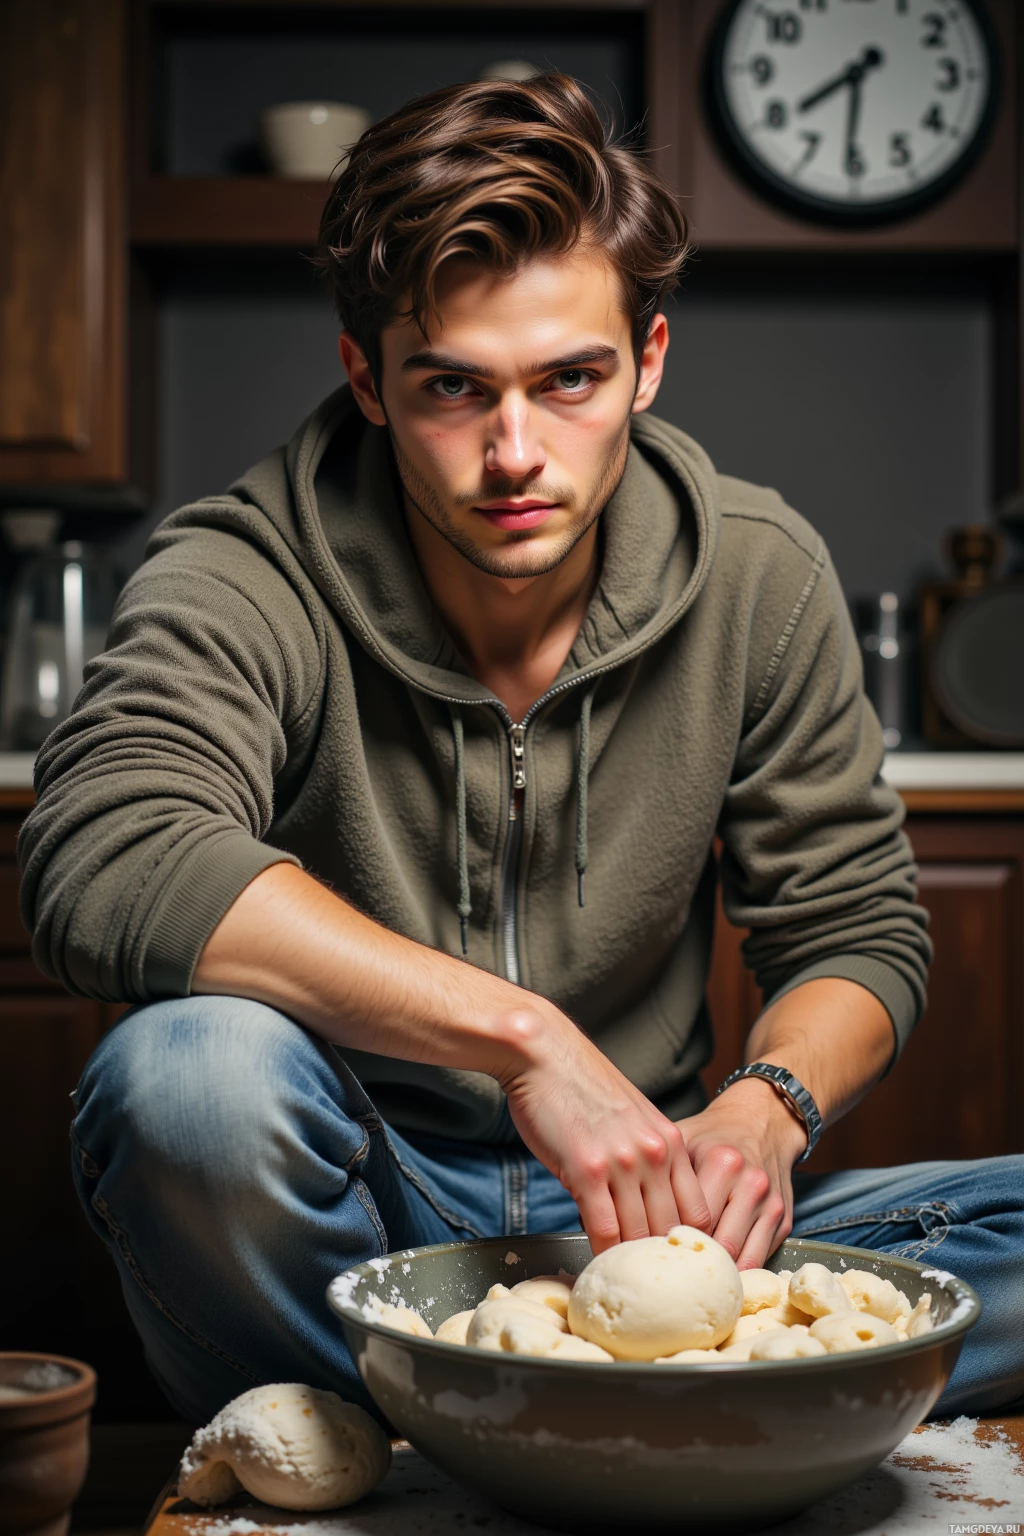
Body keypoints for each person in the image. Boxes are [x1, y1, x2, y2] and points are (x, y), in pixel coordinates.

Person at [19, 74, 1021, 1426]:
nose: (515, 454)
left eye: (572, 382)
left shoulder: (760, 573)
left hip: (650, 1212)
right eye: (453, 388)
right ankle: (617, 1415)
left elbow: (857, 931)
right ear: (367, 378)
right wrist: (525, 1041)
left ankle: (463, 1423)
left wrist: (760, 1114)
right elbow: (109, 852)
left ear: (648, 363)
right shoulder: (243, 565)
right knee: (185, 1085)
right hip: (357, 1210)